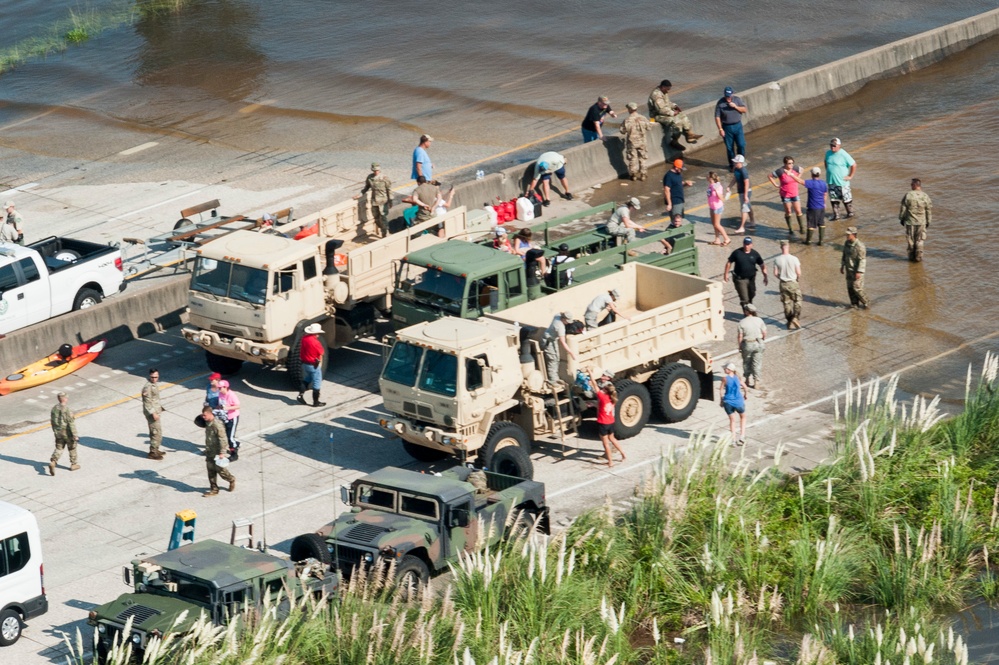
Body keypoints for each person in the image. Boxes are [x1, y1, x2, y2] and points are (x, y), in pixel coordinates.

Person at [647, 79, 702, 151]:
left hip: (665, 112)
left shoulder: (663, 92)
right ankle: (673, 140)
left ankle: (689, 135)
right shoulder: (656, 95)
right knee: (675, 121)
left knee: (682, 116)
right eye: (667, 89)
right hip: (655, 116)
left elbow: (667, 103)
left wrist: (674, 106)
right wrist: (673, 113)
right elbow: (661, 110)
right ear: (663, 87)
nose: (668, 91)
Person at [588, 369, 626, 467]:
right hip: (610, 421)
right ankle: (623, 454)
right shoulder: (613, 399)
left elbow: (595, 385)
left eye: (603, 389)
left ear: (605, 391)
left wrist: (590, 373)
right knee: (612, 439)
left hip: (603, 423)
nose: (602, 390)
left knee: (605, 444)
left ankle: (610, 462)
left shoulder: (603, 397)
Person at [723, 237, 768, 308]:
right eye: (745, 244)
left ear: (751, 245)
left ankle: (748, 306)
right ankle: (747, 312)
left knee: (752, 294)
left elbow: (762, 265)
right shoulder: (737, 253)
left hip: (751, 279)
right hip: (740, 279)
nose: (746, 246)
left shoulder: (755, 254)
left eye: (748, 244)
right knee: (745, 298)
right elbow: (729, 262)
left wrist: (765, 277)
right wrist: (725, 274)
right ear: (743, 244)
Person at [201, 406, 235, 497]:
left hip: (217, 452)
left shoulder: (217, 425)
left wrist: (222, 452)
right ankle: (214, 489)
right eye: (202, 415)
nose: (203, 417)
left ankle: (231, 479)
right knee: (210, 470)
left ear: (210, 414)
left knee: (221, 471)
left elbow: (223, 439)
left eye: (205, 415)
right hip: (210, 451)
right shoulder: (208, 423)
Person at [768, 156, 806, 237]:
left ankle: (802, 228)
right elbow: (770, 176)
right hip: (785, 194)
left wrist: (798, 177)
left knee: (798, 211)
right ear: (785, 164)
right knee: (788, 211)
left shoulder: (795, 168)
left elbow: (802, 169)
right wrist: (775, 185)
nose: (791, 165)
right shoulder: (780, 171)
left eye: (792, 163)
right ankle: (790, 228)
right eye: (789, 163)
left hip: (795, 193)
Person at [353, 163, 393, 237]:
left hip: (383, 201)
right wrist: (359, 195)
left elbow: (389, 190)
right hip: (374, 201)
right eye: (374, 170)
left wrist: (390, 201)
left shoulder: (384, 178)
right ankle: (382, 229)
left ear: (379, 170)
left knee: (383, 217)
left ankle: (385, 232)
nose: (376, 172)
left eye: (377, 170)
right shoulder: (370, 178)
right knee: (376, 217)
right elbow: (366, 188)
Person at [899, 178, 932, 262]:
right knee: (920, 240)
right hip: (921, 222)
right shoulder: (925, 196)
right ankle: (918, 258)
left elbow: (903, 208)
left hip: (910, 221)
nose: (910, 186)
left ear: (914, 185)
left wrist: (901, 218)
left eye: (911, 184)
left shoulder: (908, 195)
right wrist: (928, 221)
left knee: (910, 240)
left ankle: (911, 258)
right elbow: (928, 210)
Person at [714, 87, 748, 168]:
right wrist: (720, 129)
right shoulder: (720, 103)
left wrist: (735, 107)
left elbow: (744, 110)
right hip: (727, 127)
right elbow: (717, 116)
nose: (728, 98)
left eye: (729, 96)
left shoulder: (737, 100)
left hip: (737, 126)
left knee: (741, 144)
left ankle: (740, 162)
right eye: (726, 96)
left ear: (732, 94)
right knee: (730, 148)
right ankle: (732, 165)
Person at [773, 239, 803, 329]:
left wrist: (781, 278)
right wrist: (797, 279)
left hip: (783, 283)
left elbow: (775, 273)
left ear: (781, 247)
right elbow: (799, 272)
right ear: (788, 247)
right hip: (793, 282)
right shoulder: (794, 259)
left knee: (786, 303)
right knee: (798, 301)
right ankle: (795, 317)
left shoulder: (777, 259)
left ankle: (789, 320)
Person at [824, 138, 857, 219]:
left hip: (842, 182)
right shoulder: (828, 153)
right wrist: (828, 171)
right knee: (833, 199)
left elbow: (854, 164)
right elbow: (825, 161)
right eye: (831, 145)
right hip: (831, 181)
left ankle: (850, 214)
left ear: (839, 145)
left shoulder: (843, 154)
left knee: (846, 200)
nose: (832, 147)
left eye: (834, 146)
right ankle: (836, 215)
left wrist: (850, 176)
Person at [297, 323, 327, 406]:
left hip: (305, 364)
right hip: (313, 365)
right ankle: (316, 402)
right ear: (316, 333)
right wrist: (319, 365)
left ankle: (300, 395)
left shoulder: (304, 338)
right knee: (317, 382)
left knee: (308, 378)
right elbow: (321, 353)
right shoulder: (316, 343)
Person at [48, 392, 79, 475]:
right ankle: (74, 464)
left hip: (58, 432)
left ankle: (53, 461)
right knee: (72, 448)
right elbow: (71, 423)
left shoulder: (54, 408)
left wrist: (55, 431)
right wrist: (75, 435)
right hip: (67, 433)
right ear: (64, 399)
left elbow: (52, 421)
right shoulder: (67, 409)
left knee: (59, 448)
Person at [737, 303, 766, 389]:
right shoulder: (759, 320)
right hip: (758, 342)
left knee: (746, 362)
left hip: (748, 344)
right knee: (757, 363)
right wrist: (762, 339)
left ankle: (747, 379)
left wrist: (739, 346)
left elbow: (740, 336)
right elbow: (764, 333)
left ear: (746, 312)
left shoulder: (742, 322)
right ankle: (756, 381)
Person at [543, 312, 577, 385]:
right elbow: (563, 342)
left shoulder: (557, 316)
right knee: (553, 360)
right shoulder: (560, 327)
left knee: (556, 358)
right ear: (564, 319)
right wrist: (571, 353)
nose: (567, 323)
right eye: (567, 321)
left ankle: (555, 378)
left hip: (549, 339)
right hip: (549, 341)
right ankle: (552, 380)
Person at [619, 102, 650, 180]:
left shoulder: (627, 120)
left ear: (629, 109)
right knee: (642, 158)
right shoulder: (643, 118)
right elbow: (649, 127)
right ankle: (643, 174)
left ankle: (633, 175)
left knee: (633, 158)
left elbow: (622, 131)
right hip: (642, 141)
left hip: (632, 142)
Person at [840, 226, 869, 309]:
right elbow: (844, 255)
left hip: (856, 271)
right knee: (850, 288)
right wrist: (842, 265)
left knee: (857, 288)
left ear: (854, 235)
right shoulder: (846, 243)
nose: (847, 236)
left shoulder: (860, 246)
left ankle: (866, 302)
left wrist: (859, 272)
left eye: (849, 234)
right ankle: (854, 304)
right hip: (849, 269)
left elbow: (862, 260)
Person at [719, 363, 747, 446]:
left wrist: (721, 400)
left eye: (725, 368)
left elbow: (720, 390)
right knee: (743, 417)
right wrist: (745, 395)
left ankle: (733, 440)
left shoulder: (724, 379)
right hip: (738, 401)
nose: (724, 370)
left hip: (728, 402)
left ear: (729, 370)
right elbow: (745, 387)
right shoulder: (738, 378)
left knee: (732, 420)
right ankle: (742, 436)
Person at [726, 155, 755, 233]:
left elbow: (746, 183)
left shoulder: (743, 171)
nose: (734, 163)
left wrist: (745, 195)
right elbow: (735, 178)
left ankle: (742, 227)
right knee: (748, 206)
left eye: (736, 162)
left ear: (740, 163)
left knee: (744, 208)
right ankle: (752, 222)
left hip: (746, 191)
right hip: (741, 191)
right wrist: (729, 186)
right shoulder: (736, 169)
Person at [141, 368, 165, 460]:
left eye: (156, 377)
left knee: (157, 431)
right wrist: (153, 413)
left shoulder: (154, 385)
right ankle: (153, 452)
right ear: (149, 376)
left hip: (156, 411)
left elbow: (155, 399)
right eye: (152, 377)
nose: (154, 379)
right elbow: (147, 402)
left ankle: (156, 448)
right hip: (152, 414)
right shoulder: (147, 387)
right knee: (155, 432)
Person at [803, 167, 829, 245]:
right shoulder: (824, 183)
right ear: (819, 174)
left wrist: (791, 175)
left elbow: (800, 181)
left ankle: (808, 241)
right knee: (821, 223)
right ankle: (821, 241)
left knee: (811, 224)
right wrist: (824, 203)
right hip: (821, 207)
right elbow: (825, 194)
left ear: (812, 174)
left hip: (813, 207)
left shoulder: (810, 183)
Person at [218, 380, 241, 460]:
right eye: (218, 388)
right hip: (224, 417)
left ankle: (234, 454)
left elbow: (238, 406)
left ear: (225, 387)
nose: (219, 389)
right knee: (225, 435)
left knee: (230, 437)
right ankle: (236, 444)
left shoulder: (231, 395)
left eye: (220, 388)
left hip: (232, 417)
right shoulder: (220, 394)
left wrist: (227, 408)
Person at [706, 172, 730, 246]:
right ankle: (717, 239)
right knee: (714, 224)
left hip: (717, 207)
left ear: (711, 178)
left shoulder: (718, 186)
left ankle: (727, 238)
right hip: (712, 206)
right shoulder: (710, 185)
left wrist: (716, 191)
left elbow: (721, 198)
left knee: (717, 224)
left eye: (708, 176)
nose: (706, 177)